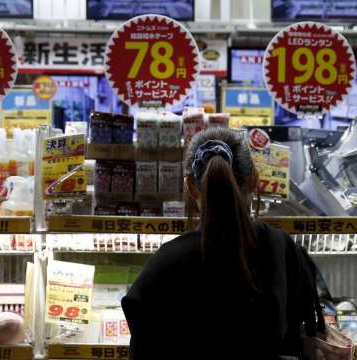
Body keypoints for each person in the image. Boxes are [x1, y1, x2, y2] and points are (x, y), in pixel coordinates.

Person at [121, 128, 321, 359]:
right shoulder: (284, 250)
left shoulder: (164, 265)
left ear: (190, 187)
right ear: (255, 179)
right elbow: (299, 339)